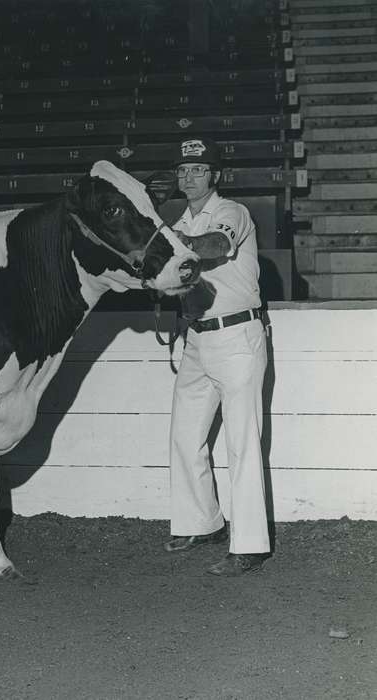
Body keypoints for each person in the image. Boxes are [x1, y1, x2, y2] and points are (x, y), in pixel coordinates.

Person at [162, 137, 271, 576]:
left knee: (241, 442)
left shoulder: (231, 212)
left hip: (237, 335)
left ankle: (250, 545)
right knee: (185, 435)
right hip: (197, 337)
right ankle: (202, 522)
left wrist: (168, 242)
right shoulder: (179, 218)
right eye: (183, 170)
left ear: (215, 176)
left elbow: (213, 247)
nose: (188, 177)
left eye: (198, 169)